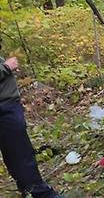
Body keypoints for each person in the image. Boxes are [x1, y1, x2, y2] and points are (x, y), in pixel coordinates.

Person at [0, 54, 63, 198]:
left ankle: (28, 189)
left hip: (7, 105)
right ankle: (40, 193)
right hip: (5, 108)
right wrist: (6, 67)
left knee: (13, 153)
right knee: (20, 152)